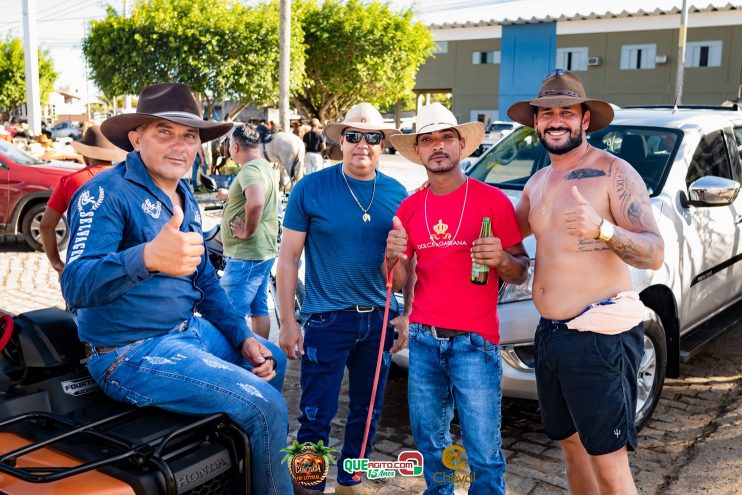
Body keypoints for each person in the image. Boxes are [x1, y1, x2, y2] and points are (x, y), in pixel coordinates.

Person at [60, 83, 309, 495]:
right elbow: (74, 284)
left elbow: (206, 282)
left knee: (273, 361)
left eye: (189, 135)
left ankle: (238, 475)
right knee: (265, 407)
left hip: (187, 334)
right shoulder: (104, 193)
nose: (180, 145)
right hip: (128, 352)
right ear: (137, 139)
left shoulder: (183, 193)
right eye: (165, 132)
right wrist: (146, 258)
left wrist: (242, 335)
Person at [508, 69, 664, 494]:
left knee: (610, 463)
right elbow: (503, 235)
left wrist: (603, 230)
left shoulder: (614, 172)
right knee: (571, 445)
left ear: (585, 120)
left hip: (600, 338)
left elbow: (654, 249)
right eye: (546, 113)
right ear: (535, 124)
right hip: (551, 336)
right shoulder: (538, 182)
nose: (555, 119)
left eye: (566, 111)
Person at [385, 103, 529, 495]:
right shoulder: (410, 208)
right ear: (418, 151)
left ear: (461, 144)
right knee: (431, 443)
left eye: (445, 137)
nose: (437, 146)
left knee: (483, 450)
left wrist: (500, 258)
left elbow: (521, 270)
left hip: (475, 342)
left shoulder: (492, 202)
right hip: (425, 341)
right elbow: (398, 281)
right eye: (427, 139)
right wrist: (392, 252)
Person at [277, 102, 408, 495]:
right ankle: (309, 488)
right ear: (341, 141)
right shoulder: (311, 188)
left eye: (372, 137)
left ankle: (350, 482)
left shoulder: (398, 193)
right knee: (316, 415)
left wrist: (408, 313)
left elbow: (407, 269)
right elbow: (287, 259)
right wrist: (287, 321)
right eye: (354, 136)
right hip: (326, 320)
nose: (362, 144)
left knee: (368, 414)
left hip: (381, 320)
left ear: (383, 143)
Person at [219, 123, 279, 339]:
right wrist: (231, 197)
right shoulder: (264, 167)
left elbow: (256, 202)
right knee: (259, 309)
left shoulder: (250, 170)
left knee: (227, 314)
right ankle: (261, 350)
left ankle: (230, 364)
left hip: (246, 255)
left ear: (235, 147)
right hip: (263, 252)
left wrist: (247, 232)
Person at [40, 125, 127, 275]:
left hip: (80, 267)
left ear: (86, 154)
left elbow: (46, 226)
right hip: (119, 266)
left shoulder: (69, 181)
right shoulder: (126, 179)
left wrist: (57, 264)